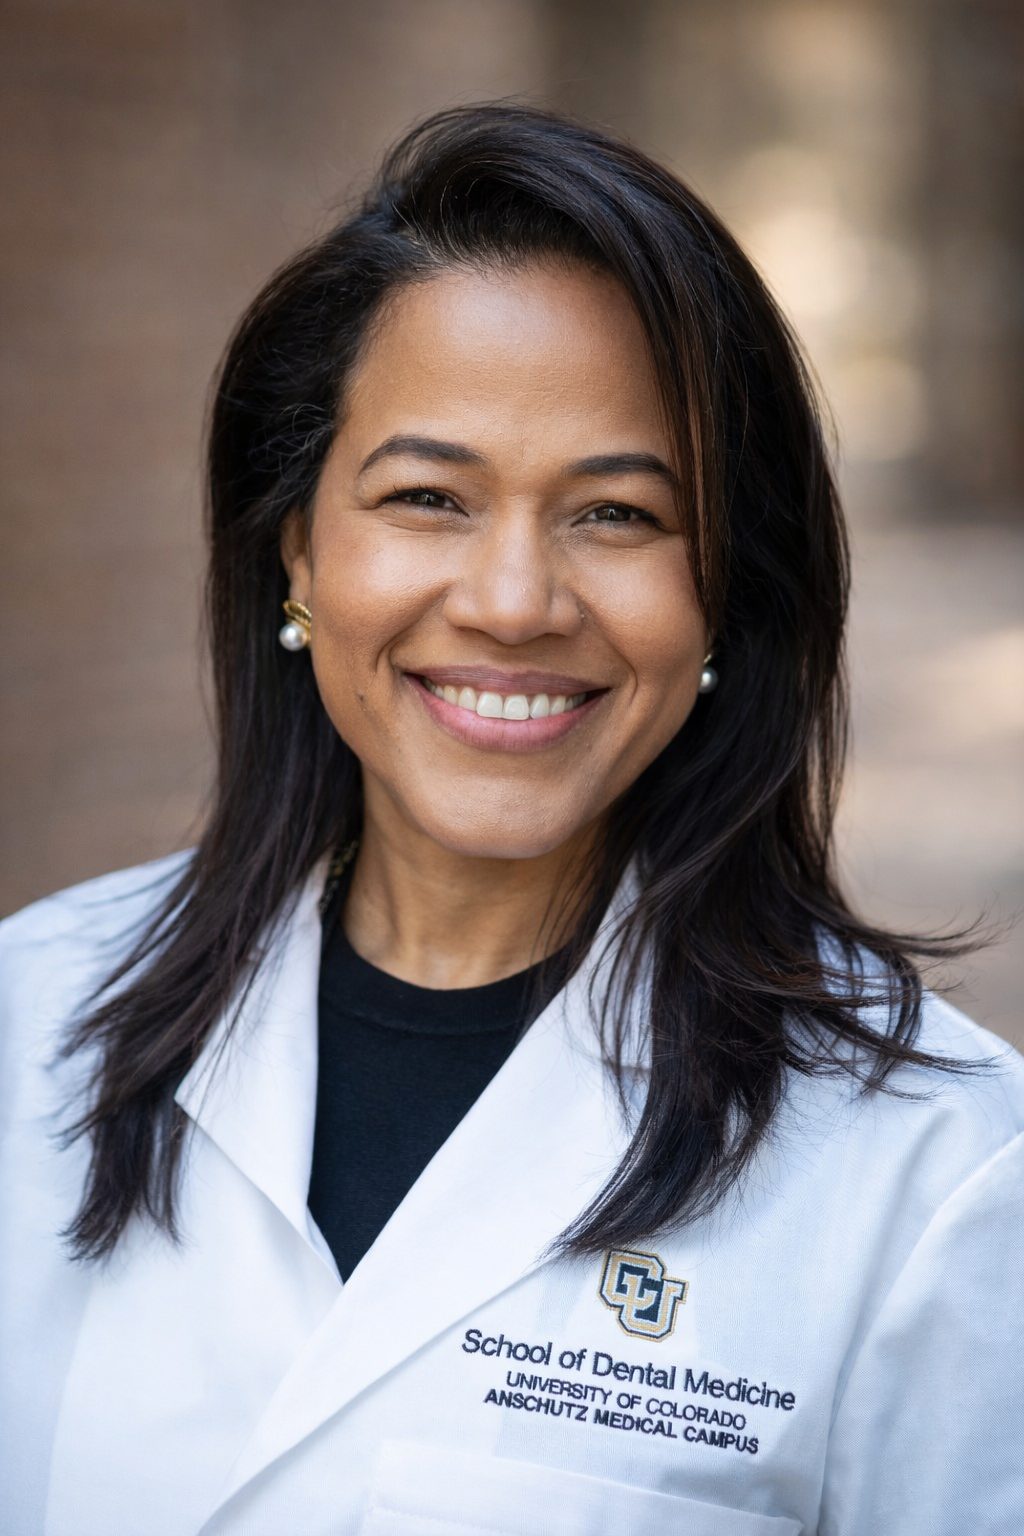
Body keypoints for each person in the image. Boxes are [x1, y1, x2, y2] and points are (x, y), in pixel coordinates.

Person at [1, 105, 1021, 1536]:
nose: (513, 601)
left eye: (615, 516)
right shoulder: (26, 1019)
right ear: (297, 549)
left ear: (726, 589)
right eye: (427, 497)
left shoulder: (938, 1168)